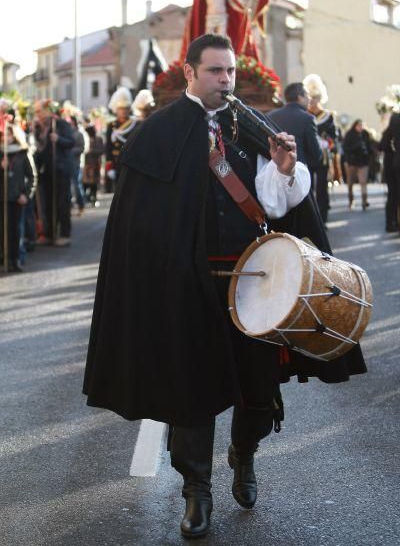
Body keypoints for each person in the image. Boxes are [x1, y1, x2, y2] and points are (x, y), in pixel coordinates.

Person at [83, 34, 366, 540]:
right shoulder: (156, 135)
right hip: (188, 287)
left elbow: (276, 207)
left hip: (254, 287)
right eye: (215, 71)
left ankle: (245, 454)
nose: (226, 80)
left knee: (257, 394)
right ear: (189, 73)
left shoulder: (253, 128)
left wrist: (285, 170)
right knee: (191, 393)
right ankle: (197, 491)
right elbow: (140, 224)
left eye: (230, 71)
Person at [33, 99, 74, 246]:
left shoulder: (61, 124)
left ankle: (64, 233)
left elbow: (71, 142)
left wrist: (59, 139)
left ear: (48, 110)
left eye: (39, 111)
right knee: (49, 203)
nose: (37, 114)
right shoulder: (39, 128)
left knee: (62, 202)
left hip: (61, 169)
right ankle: (50, 233)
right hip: (47, 171)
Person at [0, 124, 36, 271]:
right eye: (3, 136)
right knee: (2, 230)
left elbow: (32, 176)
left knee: (16, 230)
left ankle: (15, 259)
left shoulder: (23, 152)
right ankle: (3, 258)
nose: (6, 139)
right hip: (2, 198)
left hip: (16, 198)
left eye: (9, 135)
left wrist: (26, 195)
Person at [303, 74, 338, 224]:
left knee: (322, 188)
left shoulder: (328, 116)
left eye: (315, 98)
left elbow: (334, 137)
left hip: (323, 156)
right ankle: (312, 219)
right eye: (310, 99)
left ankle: (323, 219)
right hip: (308, 155)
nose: (312, 102)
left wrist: (326, 142)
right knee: (308, 187)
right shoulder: (304, 115)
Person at [266, 82, 322, 172]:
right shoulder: (308, 118)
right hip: (298, 172)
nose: (310, 99)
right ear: (300, 97)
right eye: (307, 95)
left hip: (273, 172)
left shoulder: (269, 116)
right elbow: (316, 155)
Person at [105, 87, 136, 193]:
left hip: (131, 162)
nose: (123, 111)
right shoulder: (111, 126)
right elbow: (108, 147)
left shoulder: (134, 124)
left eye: (126, 108)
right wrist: (109, 166)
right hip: (117, 162)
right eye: (121, 109)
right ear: (116, 110)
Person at [343, 120, 372, 210]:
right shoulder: (349, 134)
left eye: (362, 125)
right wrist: (357, 146)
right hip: (352, 162)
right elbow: (345, 148)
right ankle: (351, 200)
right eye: (359, 125)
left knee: (363, 182)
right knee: (350, 183)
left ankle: (364, 201)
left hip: (363, 162)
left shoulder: (365, 134)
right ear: (355, 126)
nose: (360, 127)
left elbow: (370, 146)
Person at [379, 111, 400, 231]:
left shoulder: (394, 119)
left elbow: (382, 144)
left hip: (393, 163)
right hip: (393, 163)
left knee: (393, 194)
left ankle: (391, 223)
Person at [83, 125, 104, 207]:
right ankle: (86, 198)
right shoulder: (86, 139)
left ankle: (94, 198)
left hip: (95, 164)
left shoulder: (99, 139)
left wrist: (92, 151)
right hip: (86, 164)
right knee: (85, 182)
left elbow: (102, 150)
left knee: (94, 183)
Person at [70, 116, 86, 215]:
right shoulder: (66, 133)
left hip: (76, 163)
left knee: (77, 186)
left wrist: (70, 151)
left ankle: (81, 205)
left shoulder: (79, 134)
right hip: (67, 164)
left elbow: (82, 148)